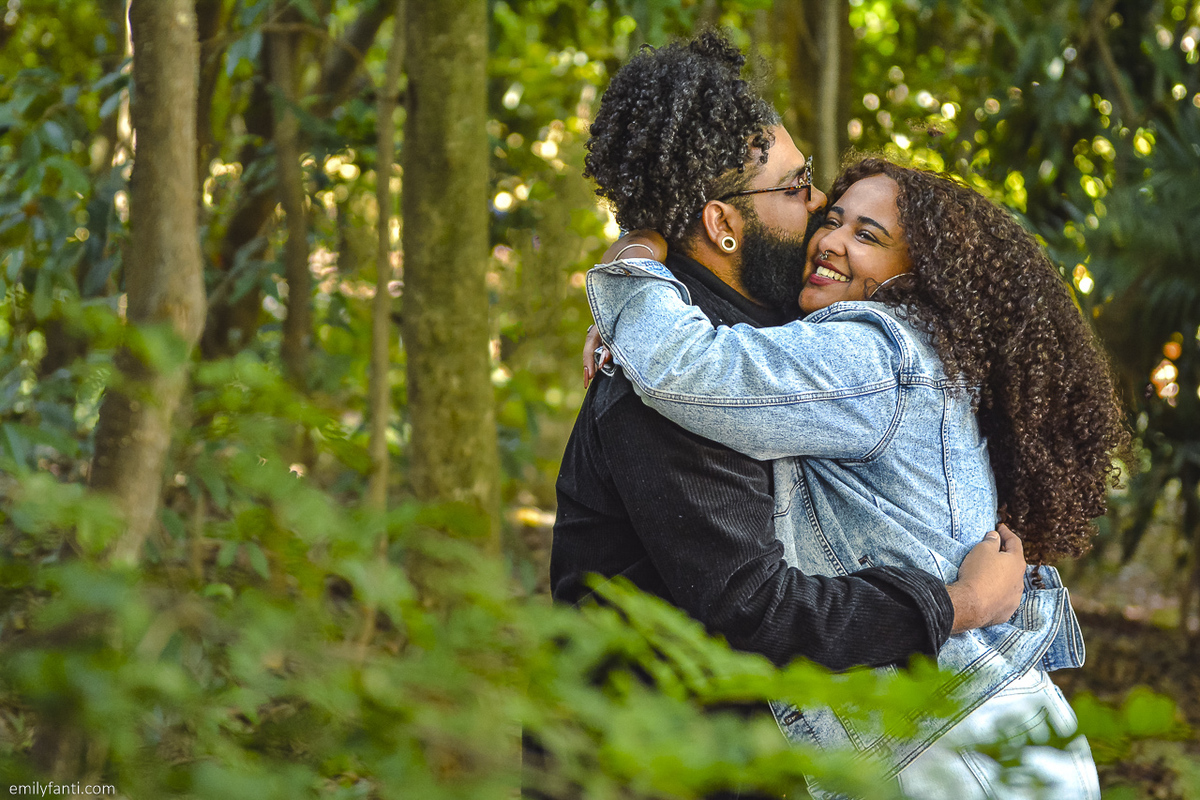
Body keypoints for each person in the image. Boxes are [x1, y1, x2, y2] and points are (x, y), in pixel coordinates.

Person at [546, 32, 1027, 799]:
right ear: (721, 223)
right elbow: (757, 607)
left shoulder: (765, 342)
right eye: (799, 187)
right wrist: (960, 604)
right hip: (647, 761)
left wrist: (631, 270)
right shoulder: (671, 391)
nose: (818, 212)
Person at [585, 156, 1132, 798]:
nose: (831, 241)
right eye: (833, 221)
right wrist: (630, 329)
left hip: (958, 749)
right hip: (969, 736)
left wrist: (639, 256)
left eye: (868, 237)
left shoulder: (878, 349)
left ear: (921, 275)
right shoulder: (894, 358)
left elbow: (688, 367)